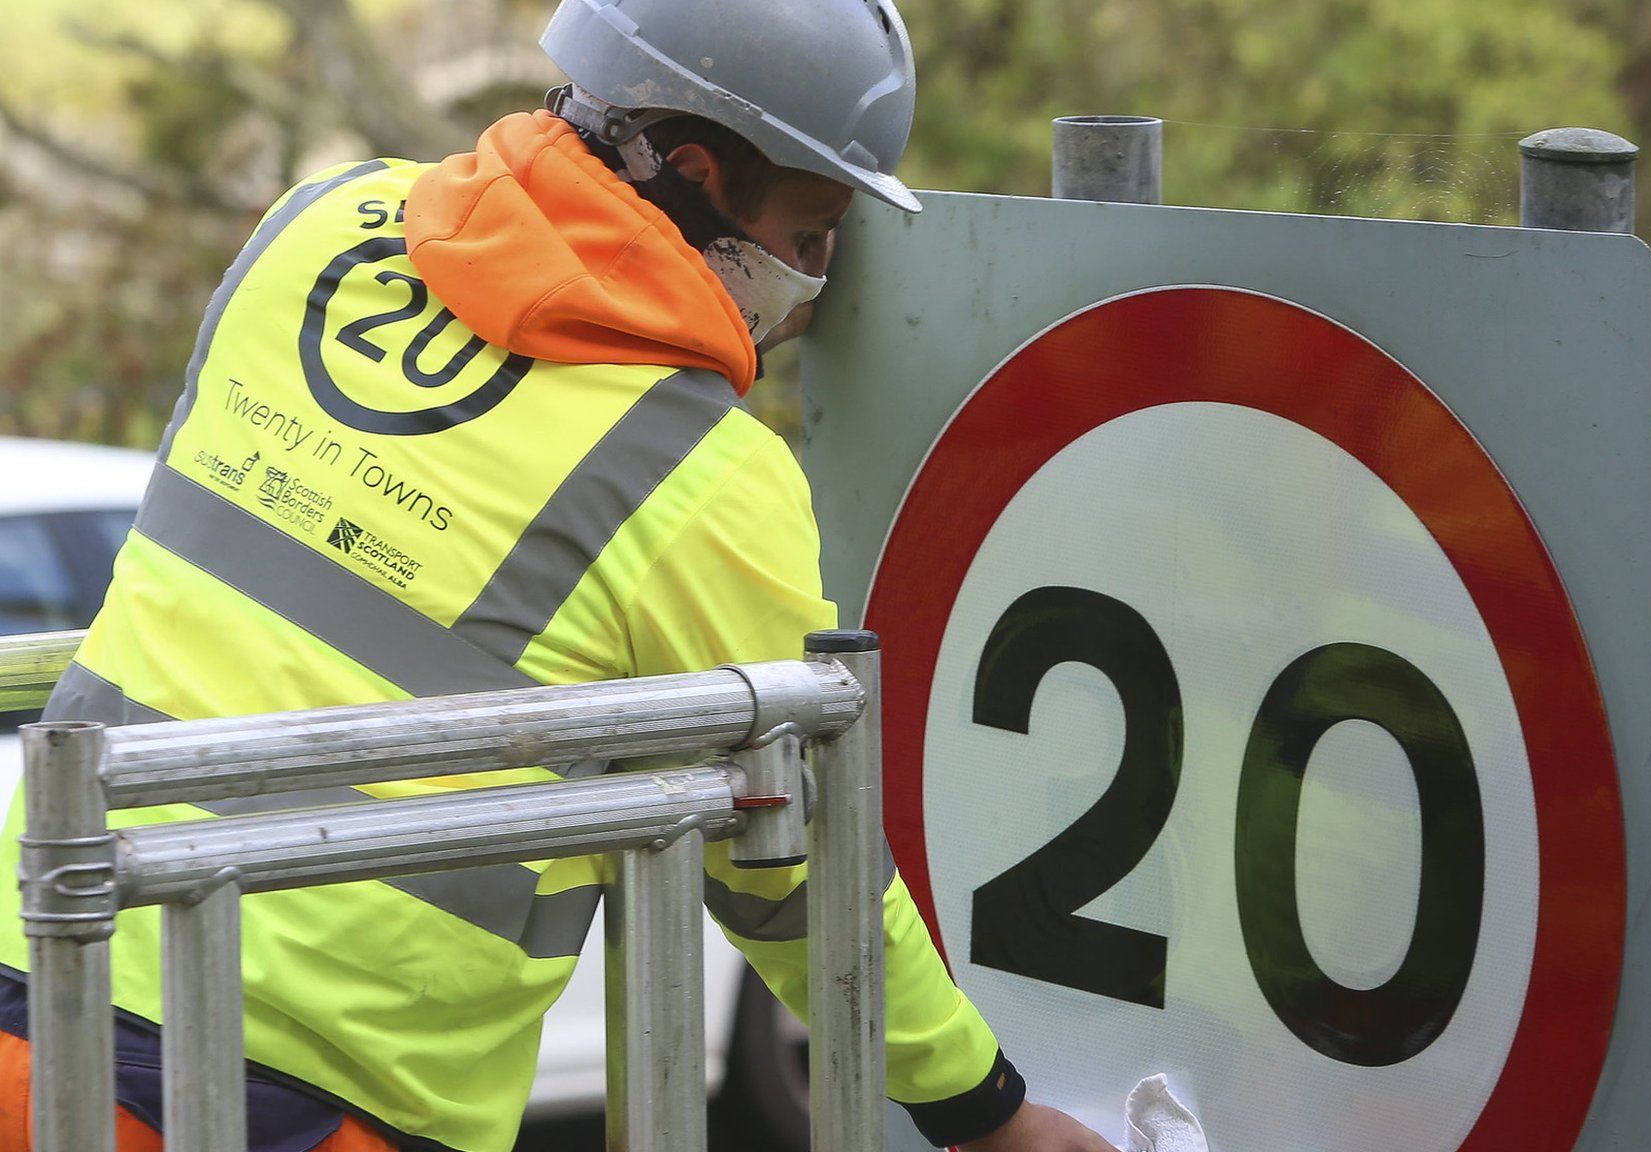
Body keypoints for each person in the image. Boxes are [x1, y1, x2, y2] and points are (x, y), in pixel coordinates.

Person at [0, 1, 1116, 1150]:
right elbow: (791, 859)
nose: (817, 276)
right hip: (297, 1095)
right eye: (813, 228)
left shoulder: (316, 225)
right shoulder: (697, 472)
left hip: (40, 991)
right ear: (697, 177)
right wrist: (983, 1112)